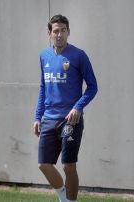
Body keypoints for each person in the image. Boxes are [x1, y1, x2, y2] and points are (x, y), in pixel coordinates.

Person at [33, 14, 98, 202]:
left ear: (68, 32)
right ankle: (64, 197)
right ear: (49, 34)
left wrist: (78, 107)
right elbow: (43, 88)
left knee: (68, 166)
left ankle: (70, 201)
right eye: (55, 31)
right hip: (48, 119)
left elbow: (93, 86)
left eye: (63, 30)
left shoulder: (79, 56)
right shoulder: (44, 55)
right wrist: (38, 117)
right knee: (43, 164)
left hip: (70, 120)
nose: (59, 34)